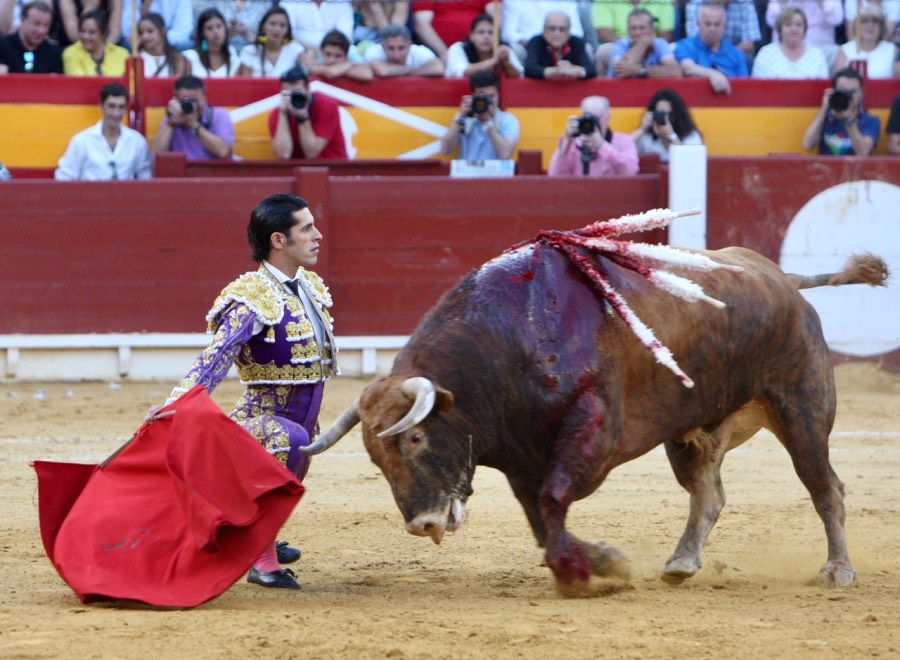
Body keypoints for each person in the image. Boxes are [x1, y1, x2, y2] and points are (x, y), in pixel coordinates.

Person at [161, 192, 338, 590]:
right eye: (307, 228)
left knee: (300, 446)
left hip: (300, 422)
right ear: (279, 240)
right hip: (262, 425)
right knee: (289, 441)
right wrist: (178, 404)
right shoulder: (252, 297)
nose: (318, 236)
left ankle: (260, 535)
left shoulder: (308, 286)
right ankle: (261, 560)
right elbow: (216, 356)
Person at [55, 82, 152, 181]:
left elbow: (145, 177)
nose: (116, 113)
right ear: (101, 107)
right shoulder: (81, 141)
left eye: (121, 107)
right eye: (111, 106)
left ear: (126, 109)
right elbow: (64, 177)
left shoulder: (137, 141)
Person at [269, 65, 348, 160]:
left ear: (308, 89)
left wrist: (302, 117)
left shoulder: (326, 106)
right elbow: (284, 154)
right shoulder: (278, 113)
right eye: (289, 93)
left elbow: (312, 153)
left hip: (331, 166)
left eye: (297, 92)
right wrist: (283, 115)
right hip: (298, 168)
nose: (294, 97)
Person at [548, 95, 639, 176]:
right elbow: (554, 177)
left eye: (596, 119)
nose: (592, 123)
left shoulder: (625, 141)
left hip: (612, 190)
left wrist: (601, 145)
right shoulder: (574, 144)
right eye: (587, 118)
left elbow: (631, 172)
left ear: (608, 118)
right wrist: (566, 143)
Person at [439, 70, 520, 161]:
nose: (487, 101)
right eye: (482, 96)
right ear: (474, 96)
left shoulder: (508, 120)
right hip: (467, 170)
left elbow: (505, 155)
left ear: (499, 95)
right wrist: (460, 118)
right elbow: (446, 150)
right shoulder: (465, 118)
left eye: (491, 96)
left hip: (495, 170)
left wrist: (488, 123)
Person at [152, 74, 235, 160]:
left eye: (194, 101)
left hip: (212, 168)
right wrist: (171, 125)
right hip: (182, 168)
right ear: (176, 100)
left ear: (204, 98)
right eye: (186, 101)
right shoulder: (173, 119)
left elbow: (223, 152)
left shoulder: (219, 116)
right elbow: (156, 156)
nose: (191, 106)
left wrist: (193, 125)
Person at [801, 67, 881, 156]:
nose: (849, 96)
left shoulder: (871, 121)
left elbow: (862, 153)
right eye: (843, 91)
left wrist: (849, 120)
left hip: (854, 165)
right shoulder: (826, 118)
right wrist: (825, 108)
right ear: (834, 91)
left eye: (853, 91)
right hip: (825, 165)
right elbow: (808, 144)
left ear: (861, 93)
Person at [675, 2, 748, 94]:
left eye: (717, 24)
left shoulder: (737, 54)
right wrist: (713, 74)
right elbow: (687, 68)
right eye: (707, 24)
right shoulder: (685, 46)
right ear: (698, 24)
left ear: (725, 26)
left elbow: (744, 87)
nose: (712, 29)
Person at [752, 7, 829, 78]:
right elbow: (757, 85)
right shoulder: (766, 53)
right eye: (788, 24)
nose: (794, 28)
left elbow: (823, 85)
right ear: (780, 29)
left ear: (805, 30)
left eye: (798, 25)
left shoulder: (817, 54)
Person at [630, 87, 703, 163]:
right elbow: (625, 150)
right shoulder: (647, 137)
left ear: (676, 116)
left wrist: (670, 134)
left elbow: (691, 162)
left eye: (667, 114)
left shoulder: (691, 136)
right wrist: (642, 129)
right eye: (658, 113)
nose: (663, 118)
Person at [765, 0, 842, 71]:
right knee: (767, 53)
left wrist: (821, 2)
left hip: (822, 47)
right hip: (786, 47)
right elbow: (771, 21)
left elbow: (836, 20)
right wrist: (782, 2)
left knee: (837, 53)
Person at [608, 8, 682, 78]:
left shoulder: (660, 44)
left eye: (642, 28)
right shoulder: (620, 45)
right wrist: (642, 44)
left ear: (652, 30)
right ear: (628, 30)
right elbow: (620, 72)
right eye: (633, 28)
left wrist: (641, 70)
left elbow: (675, 72)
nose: (637, 32)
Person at [413, 0, 496, 63]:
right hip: (439, 54)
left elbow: (496, 17)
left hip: (477, 53)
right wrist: (445, 55)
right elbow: (421, 24)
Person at [445, 13, 523, 78]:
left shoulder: (503, 49)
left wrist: (507, 63)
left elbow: (519, 76)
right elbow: (461, 72)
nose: (486, 36)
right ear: (472, 36)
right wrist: (493, 61)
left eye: (491, 32)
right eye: (481, 32)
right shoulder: (458, 48)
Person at [502, 0, 584, 62]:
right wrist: (530, 43)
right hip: (527, 47)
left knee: (586, 48)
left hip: (563, 48)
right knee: (512, 50)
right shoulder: (514, 1)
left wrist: (558, 41)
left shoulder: (568, 1)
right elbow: (508, 33)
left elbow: (578, 32)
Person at [523, 10, 597, 79]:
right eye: (552, 29)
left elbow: (591, 70)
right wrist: (555, 71)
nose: (557, 33)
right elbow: (529, 70)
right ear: (544, 29)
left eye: (562, 29)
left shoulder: (576, 43)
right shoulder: (536, 42)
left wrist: (575, 71)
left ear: (569, 31)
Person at [834, 4, 900, 79]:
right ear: (857, 26)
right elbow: (837, 81)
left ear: (882, 27)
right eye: (865, 21)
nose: (870, 25)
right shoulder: (845, 50)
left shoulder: (893, 50)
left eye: (875, 21)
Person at [238, 5, 305, 77]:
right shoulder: (249, 51)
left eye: (282, 25)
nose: (277, 29)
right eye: (272, 24)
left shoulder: (295, 49)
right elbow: (245, 82)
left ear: (287, 30)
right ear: (263, 26)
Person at [0, 1, 62, 74]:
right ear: (22, 20)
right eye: (36, 24)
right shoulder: (3, 46)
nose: (41, 31)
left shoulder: (54, 53)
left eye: (45, 25)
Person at [684, 0, 761, 59]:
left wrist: (723, 57)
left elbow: (748, 45)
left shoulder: (745, 3)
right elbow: (695, 42)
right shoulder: (695, 4)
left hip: (733, 54)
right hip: (702, 53)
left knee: (746, 57)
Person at [62, 9, 129, 76]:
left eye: (92, 32)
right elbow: (80, 81)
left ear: (103, 34)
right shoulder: (71, 53)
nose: (85, 36)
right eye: (82, 31)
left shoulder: (123, 54)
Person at [364, 24, 444, 77]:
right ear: (383, 47)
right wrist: (412, 70)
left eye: (401, 48)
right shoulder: (374, 51)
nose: (396, 54)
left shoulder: (419, 51)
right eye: (391, 48)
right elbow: (383, 71)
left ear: (410, 45)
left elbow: (439, 69)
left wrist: (399, 71)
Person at [182, 7, 241, 78]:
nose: (215, 31)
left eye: (219, 26)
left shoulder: (232, 56)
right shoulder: (190, 57)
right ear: (202, 33)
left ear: (225, 28)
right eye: (209, 28)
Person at [282, 0, 354, 56]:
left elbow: (345, 37)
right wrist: (311, 50)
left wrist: (325, 51)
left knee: (352, 51)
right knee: (289, 47)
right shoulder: (289, 2)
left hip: (333, 50)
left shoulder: (342, 3)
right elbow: (286, 34)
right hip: (299, 49)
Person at [203, 0, 273, 52]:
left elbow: (271, 41)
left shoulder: (264, 4)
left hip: (253, 56)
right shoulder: (215, 2)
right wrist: (224, 34)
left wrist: (251, 37)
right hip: (220, 54)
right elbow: (203, 43)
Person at [122, 0, 193, 50]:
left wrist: (152, 37)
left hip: (169, 44)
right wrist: (147, 4)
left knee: (186, 46)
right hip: (138, 43)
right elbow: (126, 31)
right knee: (126, 46)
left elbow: (182, 32)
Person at [594, 0, 676, 44]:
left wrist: (649, 47)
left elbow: (666, 35)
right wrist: (627, 46)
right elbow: (604, 34)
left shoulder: (664, 1)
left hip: (653, 45)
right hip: (618, 44)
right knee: (607, 52)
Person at [306, 28, 372, 81]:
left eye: (338, 56)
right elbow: (332, 72)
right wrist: (350, 64)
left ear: (346, 55)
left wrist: (334, 71)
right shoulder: (316, 59)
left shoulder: (352, 57)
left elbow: (367, 74)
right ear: (321, 52)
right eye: (328, 54)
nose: (332, 60)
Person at [138, 12, 191, 78]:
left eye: (150, 31)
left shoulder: (179, 59)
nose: (145, 36)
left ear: (163, 31)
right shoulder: (137, 58)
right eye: (141, 33)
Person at [55, 0, 122, 50]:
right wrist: (90, 7)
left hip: (106, 47)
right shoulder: (67, 1)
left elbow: (115, 35)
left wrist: (100, 52)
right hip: (75, 48)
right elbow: (74, 37)